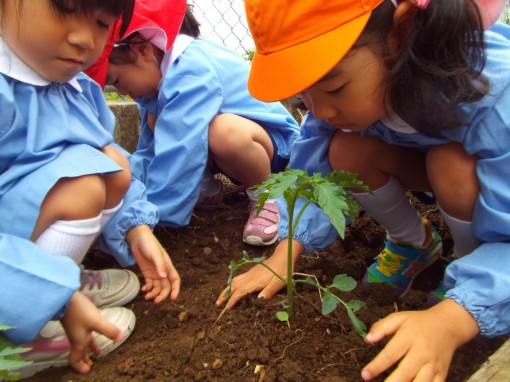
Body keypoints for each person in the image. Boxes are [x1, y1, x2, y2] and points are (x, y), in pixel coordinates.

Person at [216, 0, 510, 381]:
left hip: (486, 187)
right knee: (344, 148)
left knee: (450, 163)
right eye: (304, 96)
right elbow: (313, 167)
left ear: (401, 33)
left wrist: (455, 318)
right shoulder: (349, 96)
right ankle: (414, 244)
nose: (319, 111)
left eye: (335, 87)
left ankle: (471, 272)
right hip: (428, 169)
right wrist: (285, 254)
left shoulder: (492, 95)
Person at [0, 0, 180, 376]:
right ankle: (22, 335)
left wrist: (136, 227)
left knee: (114, 163)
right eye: (64, 9)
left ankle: (62, 280)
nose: (84, 38)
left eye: (101, 22)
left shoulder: (76, 89)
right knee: (81, 186)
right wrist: (51, 294)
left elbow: (106, 157)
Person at [97, 0, 300, 246]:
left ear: (142, 50)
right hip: (233, 152)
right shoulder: (159, 83)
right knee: (160, 122)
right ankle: (206, 190)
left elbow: (182, 150)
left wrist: (153, 213)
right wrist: (133, 189)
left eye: (116, 80)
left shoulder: (191, 71)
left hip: (271, 146)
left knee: (223, 132)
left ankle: (266, 197)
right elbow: (152, 151)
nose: (122, 91)